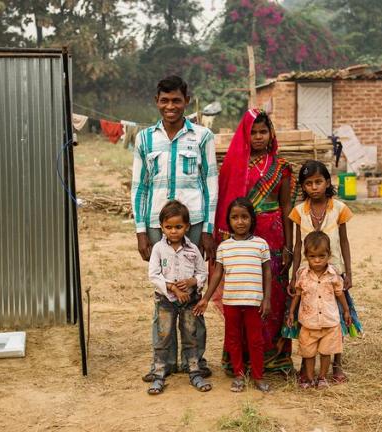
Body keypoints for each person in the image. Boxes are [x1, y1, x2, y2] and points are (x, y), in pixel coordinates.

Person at [131, 75, 218, 382]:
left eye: (176, 100)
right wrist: (141, 231)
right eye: (164, 100)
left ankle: (195, 361)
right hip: (158, 226)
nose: (170, 106)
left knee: (192, 292)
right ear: (157, 101)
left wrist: (207, 229)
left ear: (186, 100)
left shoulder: (203, 136)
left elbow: (210, 184)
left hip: (193, 224)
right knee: (164, 295)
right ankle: (163, 362)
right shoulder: (144, 139)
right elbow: (139, 187)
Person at [213, 108, 295, 374]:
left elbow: (286, 208)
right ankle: (240, 359)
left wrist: (289, 246)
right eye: (254, 132)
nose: (259, 137)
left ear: (271, 134)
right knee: (243, 294)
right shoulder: (235, 165)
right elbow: (225, 202)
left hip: (273, 238)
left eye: (263, 131)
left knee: (274, 296)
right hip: (241, 240)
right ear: (245, 135)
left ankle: (274, 358)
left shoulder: (281, 167)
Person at [288, 160, 362, 384]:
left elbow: (345, 241)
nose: (314, 187)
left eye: (319, 182)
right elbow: (298, 246)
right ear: (303, 187)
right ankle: (305, 366)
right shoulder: (299, 211)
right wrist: (294, 274)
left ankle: (337, 364)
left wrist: (347, 272)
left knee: (336, 318)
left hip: (334, 272)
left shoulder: (339, 208)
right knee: (307, 318)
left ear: (328, 182)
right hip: (306, 274)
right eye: (308, 183)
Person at [195, 197, 271, 393]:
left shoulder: (261, 245)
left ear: (252, 219)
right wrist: (205, 297)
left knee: (255, 340)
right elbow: (218, 273)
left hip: (254, 301)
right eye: (235, 217)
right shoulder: (224, 247)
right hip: (231, 301)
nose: (240, 221)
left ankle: (258, 376)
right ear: (228, 221)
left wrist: (267, 298)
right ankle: (239, 374)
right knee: (233, 339)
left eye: (245, 217)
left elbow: (267, 272)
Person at [146, 200, 212, 395]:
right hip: (166, 301)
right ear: (161, 227)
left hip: (189, 302)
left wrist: (192, 282)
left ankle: (194, 371)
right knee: (163, 336)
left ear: (187, 227)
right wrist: (173, 287)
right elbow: (153, 275)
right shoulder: (158, 249)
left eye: (178, 227)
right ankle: (159, 373)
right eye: (168, 227)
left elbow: (202, 273)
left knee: (191, 335)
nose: (173, 231)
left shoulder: (193, 250)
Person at [286, 231, 352, 389]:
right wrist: (291, 312)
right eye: (312, 257)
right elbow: (298, 294)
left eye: (321, 256)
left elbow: (339, 293)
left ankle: (322, 378)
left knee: (325, 353)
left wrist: (346, 310)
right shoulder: (302, 274)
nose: (317, 261)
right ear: (306, 256)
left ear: (328, 255)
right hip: (308, 322)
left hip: (330, 322)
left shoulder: (333, 274)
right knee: (308, 354)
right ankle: (309, 378)